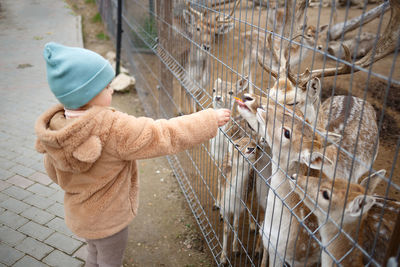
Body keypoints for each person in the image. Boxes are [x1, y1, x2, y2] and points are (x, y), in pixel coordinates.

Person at [35, 42, 231, 267]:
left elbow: (52, 172)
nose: (112, 89)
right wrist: (208, 120)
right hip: (109, 221)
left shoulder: (56, 129)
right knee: (110, 261)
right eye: (107, 86)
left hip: (81, 217)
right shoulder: (113, 128)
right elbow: (162, 134)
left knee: (93, 254)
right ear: (87, 94)